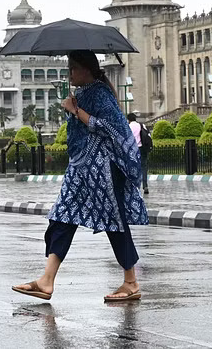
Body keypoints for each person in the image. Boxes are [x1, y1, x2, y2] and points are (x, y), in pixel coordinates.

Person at [13, 50, 148, 303]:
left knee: (114, 222)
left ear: (87, 69)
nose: (70, 73)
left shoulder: (99, 93)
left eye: (73, 68)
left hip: (102, 170)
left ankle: (130, 281)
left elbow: (111, 128)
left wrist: (76, 111)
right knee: (63, 216)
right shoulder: (85, 92)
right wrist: (73, 108)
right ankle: (47, 280)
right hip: (80, 168)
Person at [127, 113, 151, 195]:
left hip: (133, 149)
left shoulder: (128, 127)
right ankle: (145, 185)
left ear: (128, 120)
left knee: (134, 167)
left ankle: (135, 186)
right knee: (144, 167)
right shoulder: (141, 125)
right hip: (142, 148)